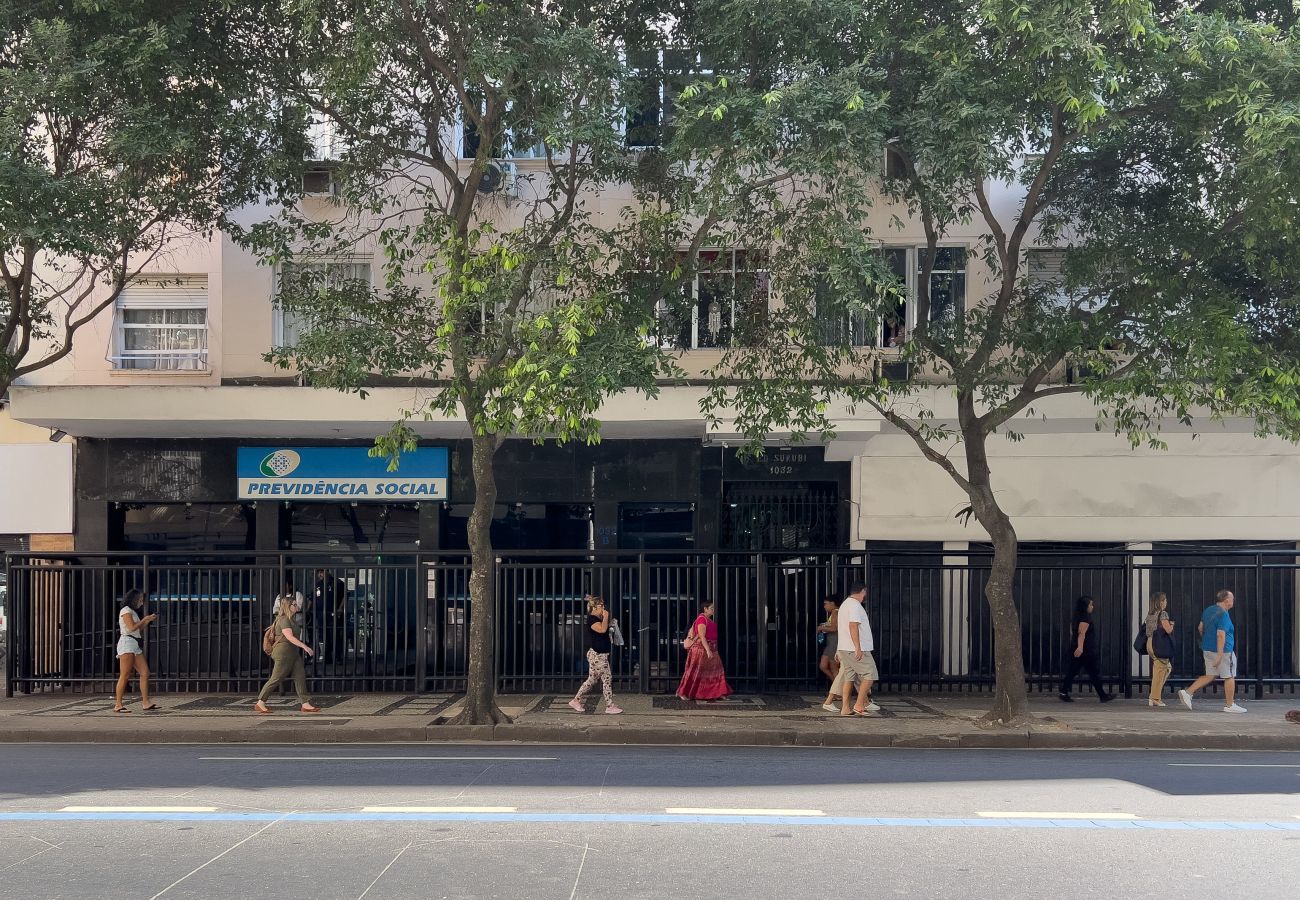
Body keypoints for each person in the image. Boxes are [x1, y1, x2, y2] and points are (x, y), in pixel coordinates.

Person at [1178, 589, 1246, 713]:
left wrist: (1207, 639)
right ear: (1226, 601)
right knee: (1229, 676)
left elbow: (1200, 627)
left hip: (1207, 648)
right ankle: (1230, 705)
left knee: (1210, 675)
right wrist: (1220, 654)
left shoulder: (1208, 610)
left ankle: (1188, 692)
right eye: (1232, 599)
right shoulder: (1224, 614)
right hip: (1224, 651)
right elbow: (1221, 634)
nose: (1233, 601)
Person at [254, 592, 320, 714]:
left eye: (296, 604)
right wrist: (305, 646)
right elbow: (289, 637)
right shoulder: (284, 620)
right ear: (287, 606)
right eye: (294, 605)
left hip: (293, 652)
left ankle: (305, 703)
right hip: (283, 652)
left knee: (300, 676)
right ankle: (260, 702)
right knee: (277, 678)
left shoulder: (291, 619)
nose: (297, 607)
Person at [568, 595, 622, 715]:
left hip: (599, 655)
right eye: (601, 606)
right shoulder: (592, 619)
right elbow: (602, 630)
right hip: (598, 656)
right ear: (594, 608)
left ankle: (575, 700)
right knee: (607, 679)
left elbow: (605, 632)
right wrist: (606, 616)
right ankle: (609, 705)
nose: (603, 608)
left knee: (592, 680)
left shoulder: (598, 618)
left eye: (603, 605)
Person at [1059, 595, 1115, 703]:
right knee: (1093, 673)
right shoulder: (1085, 618)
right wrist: (1080, 647)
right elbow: (1082, 633)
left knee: (1073, 670)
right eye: (1090, 604)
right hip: (1085, 651)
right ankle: (1103, 696)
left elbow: (1073, 633)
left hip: (1079, 649)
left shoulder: (1076, 617)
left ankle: (1064, 691)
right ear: (1085, 606)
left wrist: (1075, 646)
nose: (1092, 607)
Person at [835, 582, 879, 717]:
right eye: (865, 592)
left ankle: (845, 708)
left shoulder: (844, 605)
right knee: (870, 675)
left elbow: (841, 628)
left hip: (845, 648)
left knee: (849, 677)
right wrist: (858, 647)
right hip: (855, 649)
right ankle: (860, 704)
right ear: (863, 591)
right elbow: (853, 626)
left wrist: (838, 648)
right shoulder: (855, 606)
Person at [113, 588, 159, 713]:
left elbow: (138, 629)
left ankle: (146, 702)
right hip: (127, 644)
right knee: (125, 674)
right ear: (133, 599)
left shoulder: (132, 611)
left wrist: (147, 621)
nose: (141, 602)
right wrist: (144, 619)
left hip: (134, 643)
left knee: (145, 672)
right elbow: (132, 627)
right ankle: (118, 704)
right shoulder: (126, 611)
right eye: (140, 600)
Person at [676, 601, 731, 701]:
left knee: (716, 671)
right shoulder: (702, 619)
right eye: (711, 608)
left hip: (710, 649)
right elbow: (702, 636)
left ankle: (720, 692)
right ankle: (683, 692)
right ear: (705, 609)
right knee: (695, 671)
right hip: (702, 650)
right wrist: (708, 650)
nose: (713, 610)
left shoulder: (707, 619)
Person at [1145, 592, 1176, 707]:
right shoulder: (1163, 614)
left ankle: (1153, 695)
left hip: (1150, 643)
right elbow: (1168, 630)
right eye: (1165, 600)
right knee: (1160, 671)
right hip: (1159, 644)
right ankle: (1155, 698)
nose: (1166, 602)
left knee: (1165, 668)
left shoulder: (1150, 614)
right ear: (1160, 602)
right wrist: (1172, 624)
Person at [315, 569, 348, 663]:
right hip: (321, 613)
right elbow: (314, 597)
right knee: (324, 635)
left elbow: (345, 596)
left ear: (328, 572)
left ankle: (338, 657)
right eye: (319, 573)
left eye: (322, 572)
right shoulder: (318, 584)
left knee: (335, 634)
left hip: (334, 613)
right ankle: (327, 656)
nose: (320, 574)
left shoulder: (337, 583)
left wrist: (340, 609)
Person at [817, 595, 840, 696]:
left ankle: (838, 692)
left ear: (832, 603)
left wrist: (822, 628)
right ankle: (837, 687)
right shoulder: (834, 613)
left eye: (826, 604)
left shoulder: (835, 612)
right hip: (831, 643)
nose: (824, 606)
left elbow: (834, 628)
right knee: (823, 666)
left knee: (834, 668)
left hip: (834, 643)